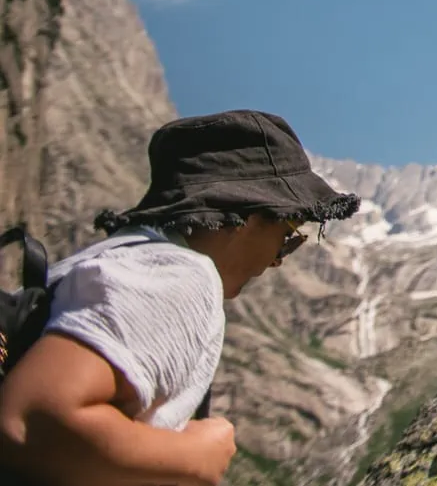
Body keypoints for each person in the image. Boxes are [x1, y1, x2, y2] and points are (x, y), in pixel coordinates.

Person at [0, 110, 359, 486]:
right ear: (248, 217)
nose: (278, 260)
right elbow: (32, 420)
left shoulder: (108, 260)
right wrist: (197, 459)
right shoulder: (181, 274)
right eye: (289, 234)